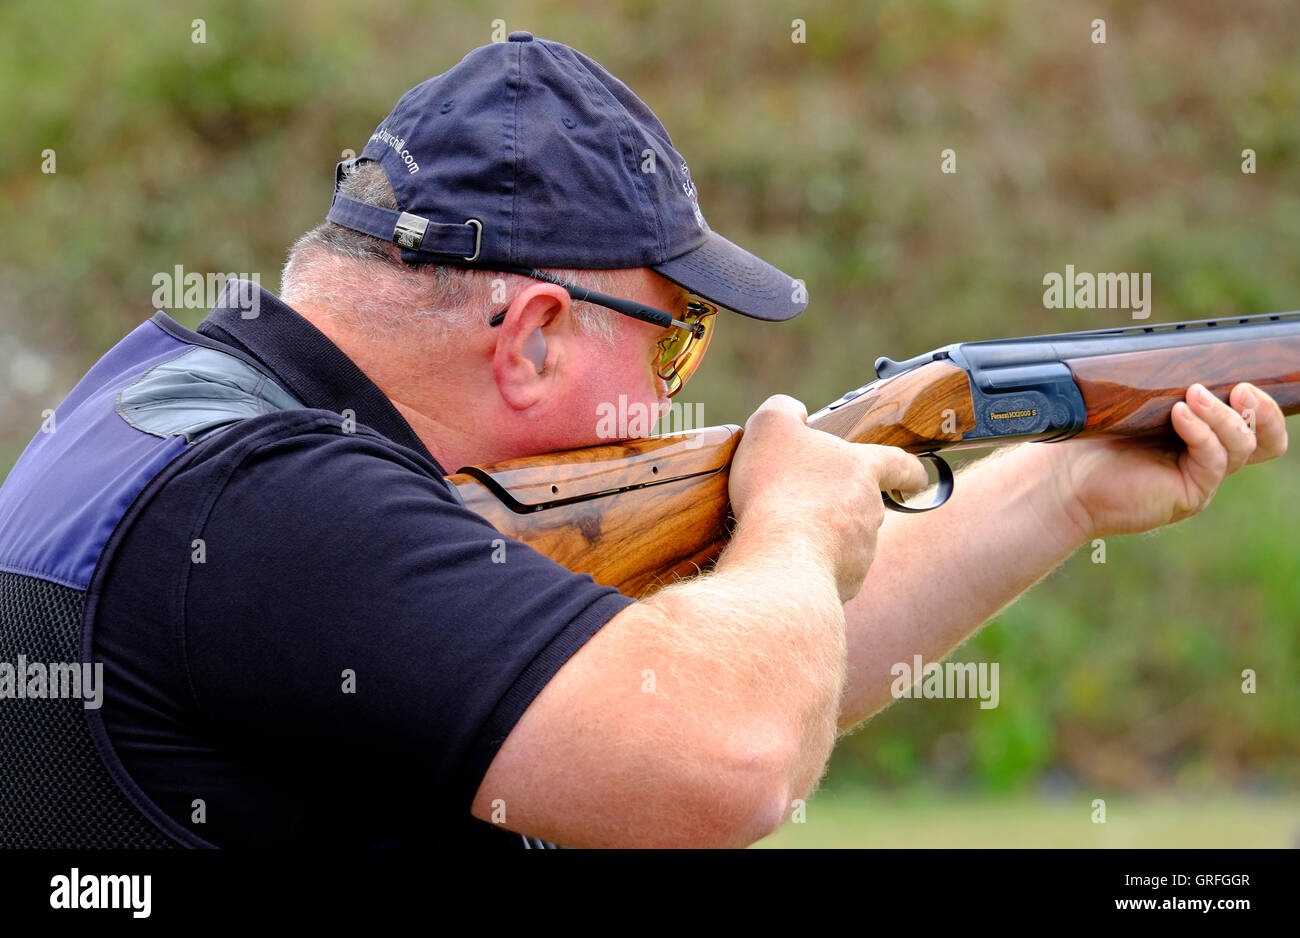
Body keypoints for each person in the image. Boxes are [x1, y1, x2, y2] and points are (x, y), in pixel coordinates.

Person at [0, 33, 1287, 849]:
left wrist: (1060, 486)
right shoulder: (282, 509)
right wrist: (787, 527)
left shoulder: (171, 415)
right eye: (675, 342)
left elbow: (734, 679)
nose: (678, 390)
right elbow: (716, 758)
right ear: (538, 334)